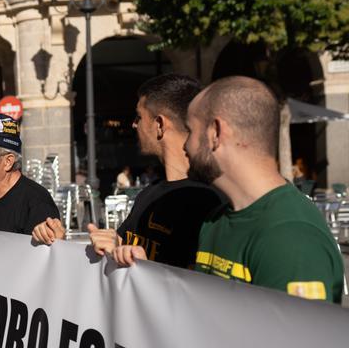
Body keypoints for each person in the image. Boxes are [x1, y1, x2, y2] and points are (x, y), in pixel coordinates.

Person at [121, 76, 344, 303]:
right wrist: (149, 269)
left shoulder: (291, 237)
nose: (185, 145)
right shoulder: (216, 221)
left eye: (190, 130)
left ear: (216, 133)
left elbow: (298, 336)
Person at [78, 74, 225, 268]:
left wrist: (150, 270)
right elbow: (122, 246)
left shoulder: (208, 201)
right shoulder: (148, 194)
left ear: (160, 125)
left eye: (139, 117)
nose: (134, 124)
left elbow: (202, 285)